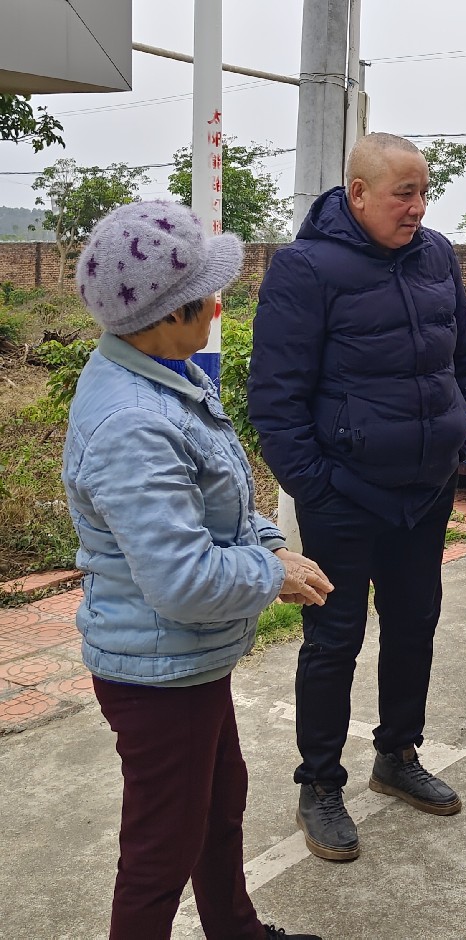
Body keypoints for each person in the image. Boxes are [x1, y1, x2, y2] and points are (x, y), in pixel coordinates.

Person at [64, 200, 333, 939]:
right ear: (164, 315)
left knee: (219, 808)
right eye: (206, 296)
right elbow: (180, 579)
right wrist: (271, 577)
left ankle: (234, 928)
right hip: (157, 673)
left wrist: (272, 546)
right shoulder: (132, 421)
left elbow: (220, 502)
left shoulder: (167, 375)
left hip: (190, 660)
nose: (220, 304)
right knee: (160, 852)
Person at [247, 132, 466, 861]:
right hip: (344, 495)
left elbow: (460, 358)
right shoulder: (304, 268)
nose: (417, 207)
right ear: (357, 193)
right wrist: (318, 487)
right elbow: (275, 402)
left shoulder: (437, 253)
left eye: (423, 192)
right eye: (402, 193)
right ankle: (319, 785)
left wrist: (453, 438)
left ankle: (397, 755)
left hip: (425, 489)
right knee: (334, 639)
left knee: (415, 623)